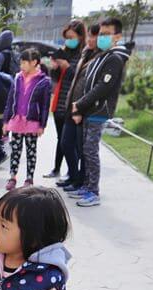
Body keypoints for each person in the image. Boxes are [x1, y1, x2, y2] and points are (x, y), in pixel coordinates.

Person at [70, 17, 131, 207]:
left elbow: (102, 87)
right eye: (101, 34)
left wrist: (79, 104)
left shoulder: (115, 58)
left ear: (117, 36)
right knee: (86, 150)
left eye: (106, 34)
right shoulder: (103, 55)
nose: (102, 38)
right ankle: (87, 186)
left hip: (99, 110)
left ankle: (93, 191)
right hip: (90, 109)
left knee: (90, 150)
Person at [59, 24, 100, 193]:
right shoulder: (86, 53)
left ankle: (81, 182)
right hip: (72, 105)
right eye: (90, 36)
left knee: (82, 149)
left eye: (94, 37)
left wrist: (80, 109)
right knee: (66, 144)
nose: (91, 40)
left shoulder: (99, 58)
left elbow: (91, 87)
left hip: (82, 108)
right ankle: (75, 177)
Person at [3, 49, 53, 189]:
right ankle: (12, 177)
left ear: (34, 62)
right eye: (21, 62)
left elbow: (45, 106)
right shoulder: (18, 77)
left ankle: (29, 179)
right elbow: (10, 100)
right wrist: (6, 121)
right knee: (15, 150)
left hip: (32, 121)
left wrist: (42, 125)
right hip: (17, 120)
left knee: (31, 151)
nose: (21, 65)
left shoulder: (44, 81)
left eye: (24, 62)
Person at [45, 21, 86, 179]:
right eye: (66, 37)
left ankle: (72, 172)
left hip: (73, 102)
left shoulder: (83, 54)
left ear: (81, 36)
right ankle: (57, 169)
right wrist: (55, 68)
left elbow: (77, 76)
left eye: (72, 37)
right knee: (61, 139)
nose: (68, 40)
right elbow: (56, 79)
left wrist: (66, 66)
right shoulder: (63, 52)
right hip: (60, 101)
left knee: (70, 141)